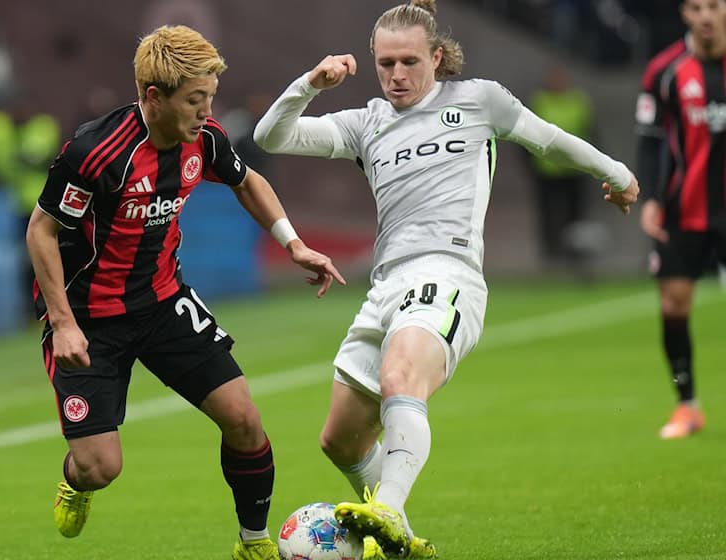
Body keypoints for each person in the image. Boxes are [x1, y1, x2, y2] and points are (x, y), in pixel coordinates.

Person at [253, 1, 639, 558]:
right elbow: (271, 136)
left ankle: (388, 508)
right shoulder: (367, 123)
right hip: (385, 286)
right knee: (340, 439)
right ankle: (404, 542)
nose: (397, 75)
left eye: (409, 61)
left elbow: (549, 139)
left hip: (447, 273)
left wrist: (618, 174)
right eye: (385, 63)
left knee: (401, 376)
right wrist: (310, 84)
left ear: (436, 57)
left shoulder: (478, 100)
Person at [25, 25, 345, 560]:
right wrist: (62, 323)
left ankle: (253, 542)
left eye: (210, 97)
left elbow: (247, 181)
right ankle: (77, 480)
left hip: (162, 302)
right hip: (89, 320)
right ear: (154, 97)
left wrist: (292, 244)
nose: (206, 111)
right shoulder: (95, 151)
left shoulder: (205, 139)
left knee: (243, 418)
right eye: (195, 99)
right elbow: (41, 231)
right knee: (101, 467)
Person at [635, 0, 726, 440]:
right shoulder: (664, 71)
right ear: (684, 14)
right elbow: (649, 140)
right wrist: (651, 198)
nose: (705, 16)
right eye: (696, 7)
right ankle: (687, 405)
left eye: (713, 6)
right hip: (682, 208)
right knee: (673, 305)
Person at [528, 63, 595, 267]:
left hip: (574, 169)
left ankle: (575, 252)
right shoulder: (540, 101)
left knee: (576, 213)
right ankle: (551, 253)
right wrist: (531, 165)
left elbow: (590, 131)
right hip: (546, 170)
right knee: (548, 213)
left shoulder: (578, 101)